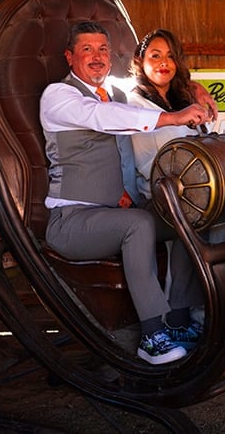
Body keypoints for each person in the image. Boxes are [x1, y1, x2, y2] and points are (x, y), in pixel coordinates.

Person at [39, 21, 212, 365]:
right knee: (138, 224)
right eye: (86, 49)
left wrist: (196, 89)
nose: (97, 56)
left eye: (103, 49)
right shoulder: (58, 96)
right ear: (69, 56)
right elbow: (105, 117)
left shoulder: (114, 92)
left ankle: (177, 319)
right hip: (71, 220)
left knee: (189, 215)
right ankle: (152, 336)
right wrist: (174, 118)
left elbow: (152, 82)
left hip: (113, 215)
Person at [128, 28, 210, 200]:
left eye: (170, 56)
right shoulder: (133, 104)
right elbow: (147, 166)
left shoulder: (187, 98)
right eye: (156, 56)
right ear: (140, 60)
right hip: (164, 198)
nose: (164, 62)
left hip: (203, 186)